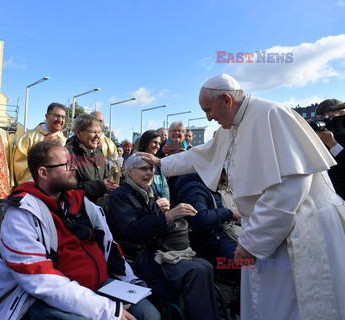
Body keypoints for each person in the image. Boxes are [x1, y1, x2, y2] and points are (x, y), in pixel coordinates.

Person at [139, 73, 345, 320]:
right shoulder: (232, 125)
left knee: (294, 307)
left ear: (226, 99)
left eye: (209, 109)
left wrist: (251, 242)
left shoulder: (271, 115)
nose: (208, 117)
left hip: (297, 228)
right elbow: (202, 154)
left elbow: (289, 189)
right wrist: (162, 162)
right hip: (266, 229)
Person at [0, 140, 160, 320]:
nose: (74, 167)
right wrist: (105, 309)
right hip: (38, 298)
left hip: (97, 286)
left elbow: (110, 247)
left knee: (149, 315)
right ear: (43, 173)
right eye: (67, 164)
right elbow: (39, 279)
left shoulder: (82, 203)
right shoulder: (21, 213)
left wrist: (129, 282)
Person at [106, 154, 219, 320]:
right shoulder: (120, 196)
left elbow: (155, 224)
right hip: (142, 257)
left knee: (206, 265)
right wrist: (167, 216)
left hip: (161, 251)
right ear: (129, 172)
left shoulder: (148, 193)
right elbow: (131, 231)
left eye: (152, 169)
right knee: (196, 270)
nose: (150, 173)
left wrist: (175, 213)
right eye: (143, 169)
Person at [65, 114, 118, 204]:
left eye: (99, 132)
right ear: (78, 133)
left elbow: (106, 175)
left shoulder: (98, 152)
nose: (98, 136)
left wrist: (109, 183)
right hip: (79, 210)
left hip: (100, 207)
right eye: (93, 132)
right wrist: (100, 186)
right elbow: (69, 186)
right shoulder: (68, 153)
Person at [14, 102, 67, 184]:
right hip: (34, 186)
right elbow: (20, 164)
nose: (60, 120)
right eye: (56, 116)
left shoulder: (65, 141)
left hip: (58, 186)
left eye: (63, 117)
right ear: (47, 116)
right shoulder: (30, 136)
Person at [314, 99, 345, 199]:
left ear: (342, 113)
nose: (325, 123)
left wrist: (332, 144)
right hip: (331, 197)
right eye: (321, 120)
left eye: (328, 118)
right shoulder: (322, 137)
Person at [137, 130, 170, 200]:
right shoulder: (134, 161)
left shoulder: (158, 162)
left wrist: (165, 200)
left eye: (159, 143)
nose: (157, 146)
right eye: (155, 142)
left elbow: (165, 186)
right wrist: (154, 202)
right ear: (146, 142)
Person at [91, 111, 121, 184]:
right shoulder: (81, 139)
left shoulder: (109, 143)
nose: (98, 123)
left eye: (100, 121)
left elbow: (116, 165)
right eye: (95, 120)